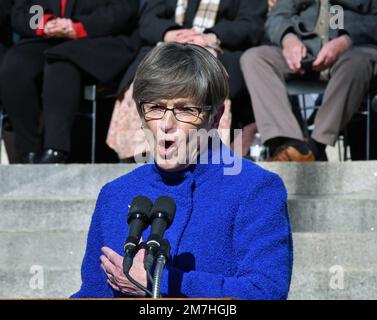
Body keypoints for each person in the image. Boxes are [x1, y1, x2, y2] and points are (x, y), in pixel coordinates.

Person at [72, 43, 293, 299]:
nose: (167, 124)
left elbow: (266, 292)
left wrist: (163, 282)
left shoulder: (255, 188)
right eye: (155, 108)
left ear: (216, 116)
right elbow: (92, 293)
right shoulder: (115, 194)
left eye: (185, 110)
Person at [106, 0, 267, 161]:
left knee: (211, 80)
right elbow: (148, 19)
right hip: (168, 45)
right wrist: (170, 33)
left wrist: (210, 36)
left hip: (219, 48)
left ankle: (201, 152)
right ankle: (140, 154)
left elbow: (251, 25)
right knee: (147, 79)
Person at [0, 0, 140, 164]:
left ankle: (55, 150)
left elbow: (122, 10)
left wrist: (79, 27)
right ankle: (28, 152)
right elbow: (25, 11)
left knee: (60, 61)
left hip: (99, 38)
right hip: (48, 37)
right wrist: (44, 23)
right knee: (16, 65)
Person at [240, 0, 377, 161]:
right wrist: (288, 39)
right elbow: (277, 15)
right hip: (306, 54)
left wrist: (345, 41)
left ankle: (315, 147)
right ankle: (292, 144)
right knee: (255, 58)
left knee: (358, 62)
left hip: (352, 51)